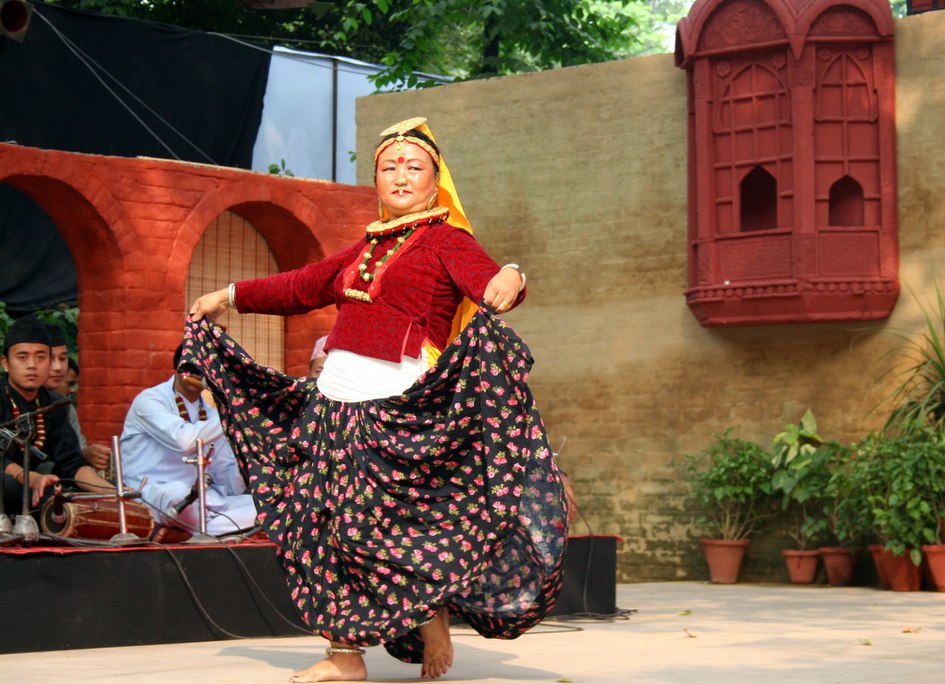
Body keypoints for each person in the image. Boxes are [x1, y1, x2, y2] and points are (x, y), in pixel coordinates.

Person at [187, 117, 567, 683]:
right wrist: (229, 295)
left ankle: (429, 613)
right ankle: (345, 657)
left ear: (437, 181)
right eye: (389, 166)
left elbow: (489, 279)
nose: (401, 175)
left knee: (383, 527)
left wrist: (513, 274)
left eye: (414, 166)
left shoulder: (446, 240)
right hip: (331, 406)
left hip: (398, 405)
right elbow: (301, 285)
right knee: (321, 526)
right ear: (376, 179)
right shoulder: (364, 246)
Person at [118, 344, 257, 537]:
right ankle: (217, 529)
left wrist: (248, 452)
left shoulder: (211, 416)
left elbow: (230, 485)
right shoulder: (150, 400)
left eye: (209, 368)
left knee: (267, 506)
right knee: (178, 496)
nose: (201, 372)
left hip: (204, 500)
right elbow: (183, 440)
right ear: (179, 366)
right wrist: (234, 411)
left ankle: (206, 530)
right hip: (155, 494)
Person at [1, 318, 112, 515]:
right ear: (5, 363)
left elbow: (72, 463)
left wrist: (113, 493)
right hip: (11, 482)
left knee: (76, 491)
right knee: (10, 485)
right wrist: (29, 478)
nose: (32, 365)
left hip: (33, 486)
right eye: (22, 357)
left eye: (41, 357)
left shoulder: (53, 404)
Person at [43, 325, 111, 474]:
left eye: (63, 358)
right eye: (48, 358)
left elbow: (74, 458)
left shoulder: (64, 407)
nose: (58, 367)